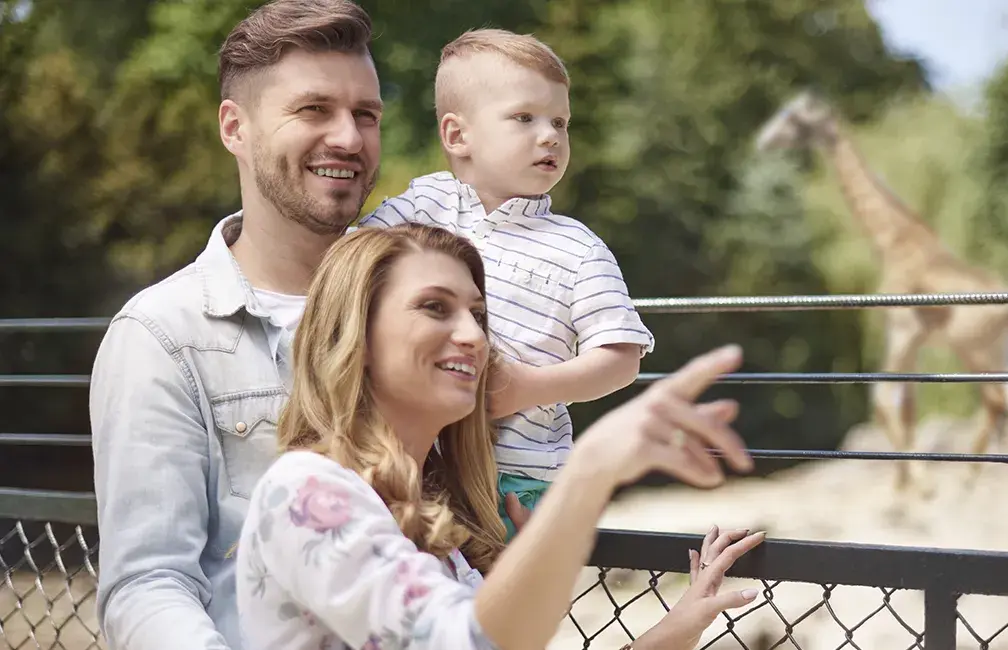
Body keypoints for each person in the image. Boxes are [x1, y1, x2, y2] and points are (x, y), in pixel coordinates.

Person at [236, 223, 764, 650]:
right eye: (435, 307)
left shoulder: (433, 515)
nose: (473, 336)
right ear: (358, 335)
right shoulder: (306, 492)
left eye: (478, 314)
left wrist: (677, 630)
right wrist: (588, 473)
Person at [87, 1, 382, 648]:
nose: (349, 138)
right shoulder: (162, 336)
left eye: (366, 114)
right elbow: (147, 586)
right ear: (235, 127)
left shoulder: (421, 313)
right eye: (314, 110)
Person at [359, 29, 653, 539]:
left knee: (497, 611)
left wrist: (529, 388)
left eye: (561, 122)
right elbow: (352, 265)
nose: (550, 136)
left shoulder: (577, 247)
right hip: (412, 459)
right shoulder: (424, 205)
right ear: (458, 136)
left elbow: (622, 358)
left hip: (515, 478)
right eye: (524, 118)